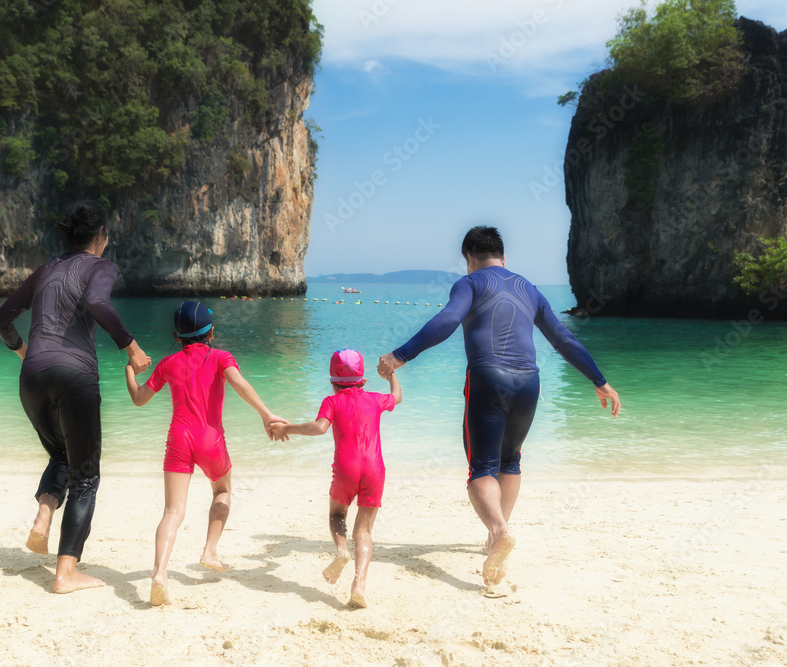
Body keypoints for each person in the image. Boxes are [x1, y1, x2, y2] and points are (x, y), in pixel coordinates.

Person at [377, 226, 620, 589]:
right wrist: (598, 380)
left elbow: (446, 321)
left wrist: (399, 356)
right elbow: (563, 339)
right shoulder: (529, 289)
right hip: (529, 382)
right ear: (504, 258)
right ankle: (496, 539)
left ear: (469, 260)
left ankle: (498, 529)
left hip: (488, 378)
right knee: (511, 460)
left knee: (481, 467)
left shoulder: (470, 283)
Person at [0, 200, 151, 594]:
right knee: (85, 476)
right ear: (101, 237)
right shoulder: (101, 265)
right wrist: (130, 347)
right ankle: (65, 574)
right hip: (75, 375)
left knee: (61, 454)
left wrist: (24, 352)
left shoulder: (45, 269)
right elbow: (98, 303)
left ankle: (42, 520)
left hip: (31, 377)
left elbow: (1, 318)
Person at [125, 301, 286, 606]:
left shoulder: (167, 364)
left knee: (172, 512)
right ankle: (210, 550)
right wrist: (266, 414)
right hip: (210, 440)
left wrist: (130, 371)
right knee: (222, 491)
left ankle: (159, 573)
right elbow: (239, 384)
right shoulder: (221, 357)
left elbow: (138, 399)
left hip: (179, 438)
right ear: (212, 332)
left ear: (177, 336)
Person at [270, 349, 401, 608]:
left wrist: (287, 428)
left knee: (337, 515)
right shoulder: (375, 399)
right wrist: (391, 374)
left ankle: (341, 551)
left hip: (346, 468)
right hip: (375, 470)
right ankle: (359, 585)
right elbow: (397, 396)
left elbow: (320, 427)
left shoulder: (331, 401)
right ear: (363, 381)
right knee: (364, 531)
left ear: (332, 382)